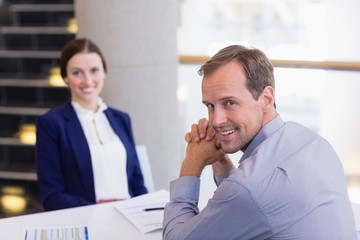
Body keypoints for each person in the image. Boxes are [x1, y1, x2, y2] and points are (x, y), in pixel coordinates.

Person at [163, 45, 357, 239]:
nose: (216, 120)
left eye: (229, 103)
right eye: (210, 106)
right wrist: (220, 160)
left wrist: (192, 162)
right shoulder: (314, 143)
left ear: (266, 98)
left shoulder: (248, 188)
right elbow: (252, 205)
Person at [35, 38, 147, 211]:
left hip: (131, 218)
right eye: (77, 72)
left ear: (104, 72)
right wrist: (101, 210)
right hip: (88, 221)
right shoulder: (51, 124)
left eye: (94, 70)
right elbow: (52, 197)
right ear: (65, 76)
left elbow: (137, 185)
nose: (87, 80)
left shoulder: (121, 119)